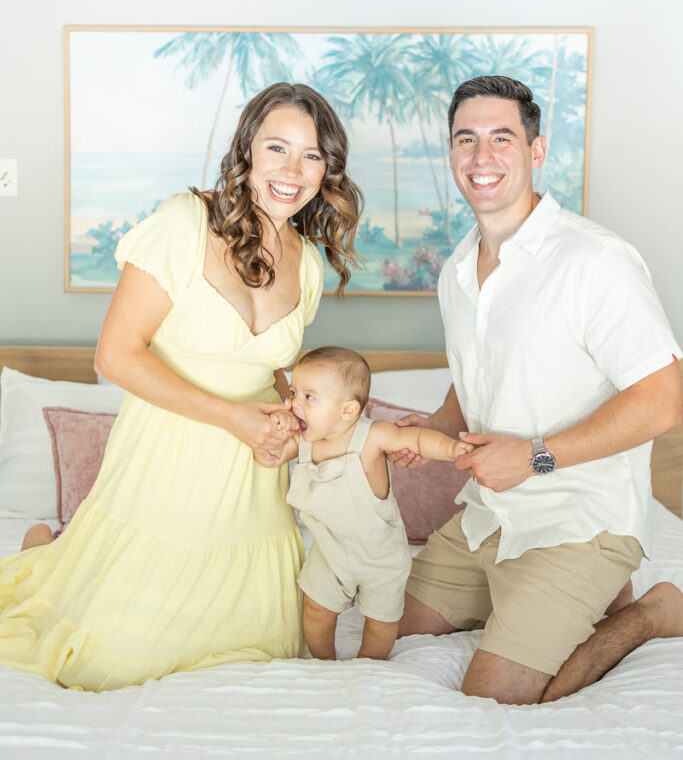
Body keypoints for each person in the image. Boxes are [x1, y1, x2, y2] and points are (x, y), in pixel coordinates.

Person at [0, 82, 363, 691]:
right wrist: (233, 417)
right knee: (107, 664)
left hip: (254, 488)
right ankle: (46, 549)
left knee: (259, 661)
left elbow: (278, 373)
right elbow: (115, 356)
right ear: (247, 152)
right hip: (164, 467)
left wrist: (292, 422)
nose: (291, 171)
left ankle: (54, 550)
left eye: (311, 156)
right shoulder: (184, 223)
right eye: (276, 148)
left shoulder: (308, 262)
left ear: (327, 171)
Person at [390, 74, 683, 705]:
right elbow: (477, 379)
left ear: (537, 151)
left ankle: (650, 613)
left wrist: (533, 456)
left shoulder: (594, 260)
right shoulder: (457, 270)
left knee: (495, 697)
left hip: (580, 519)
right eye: (465, 139)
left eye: (502, 137)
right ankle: (595, 597)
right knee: (395, 635)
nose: (481, 156)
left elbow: (664, 399)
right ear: (450, 155)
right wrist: (432, 427)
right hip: (488, 515)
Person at [258, 346, 472, 661]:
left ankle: (367, 666)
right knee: (316, 611)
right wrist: (274, 431)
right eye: (293, 392)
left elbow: (415, 439)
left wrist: (455, 450)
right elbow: (268, 454)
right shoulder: (303, 442)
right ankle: (324, 661)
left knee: (381, 623)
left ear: (347, 410)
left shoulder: (372, 436)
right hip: (331, 551)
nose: (294, 404)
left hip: (380, 557)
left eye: (309, 397)